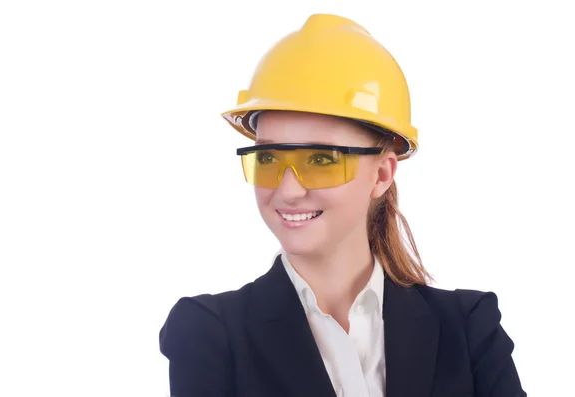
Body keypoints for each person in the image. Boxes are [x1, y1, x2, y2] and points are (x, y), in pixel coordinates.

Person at [158, 13, 526, 397]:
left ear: (382, 175)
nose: (288, 191)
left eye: (320, 160)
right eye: (267, 159)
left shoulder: (468, 330)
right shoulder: (208, 333)